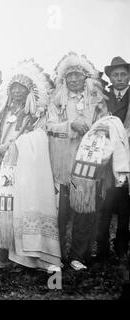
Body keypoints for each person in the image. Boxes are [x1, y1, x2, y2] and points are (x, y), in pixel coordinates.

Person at [0, 59, 52, 272]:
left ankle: (20, 257)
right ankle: (1, 255)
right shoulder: (1, 110)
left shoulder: (35, 115)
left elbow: (40, 137)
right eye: (14, 88)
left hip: (22, 169)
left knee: (19, 211)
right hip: (0, 165)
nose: (17, 92)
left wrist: (19, 147)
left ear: (30, 92)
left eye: (22, 89)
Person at [47, 52, 108, 271]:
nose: (73, 80)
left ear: (85, 77)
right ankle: (56, 255)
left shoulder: (96, 100)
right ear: (64, 79)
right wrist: (71, 124)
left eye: (77, 75)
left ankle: (78, 255)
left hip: (87, 165)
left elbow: (106, 125)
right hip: (62, 165)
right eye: (69, 76)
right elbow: (49, 127)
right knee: (60, 213)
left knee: (84, 211)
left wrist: (93, 130)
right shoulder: (56, 101)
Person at [97, 56, 130, 263]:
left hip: (127, 154)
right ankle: (101, 249)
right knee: (105, 202)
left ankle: (121, 247)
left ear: (128, 76)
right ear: (110, 77)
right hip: (106, 156)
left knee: (126, 203)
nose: (119, 78)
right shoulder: (105, 98)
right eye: (115, 75)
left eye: (123, 74)